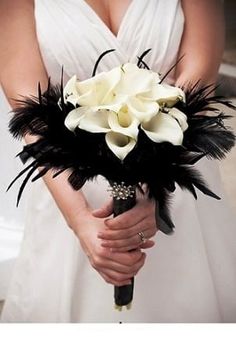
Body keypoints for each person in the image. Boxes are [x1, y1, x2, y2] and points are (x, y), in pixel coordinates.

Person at [0, 0, 235, 323]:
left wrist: (158, 191)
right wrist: (81, 221)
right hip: (70, 191)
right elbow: (31, 114)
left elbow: (198, 84)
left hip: (177, 180)